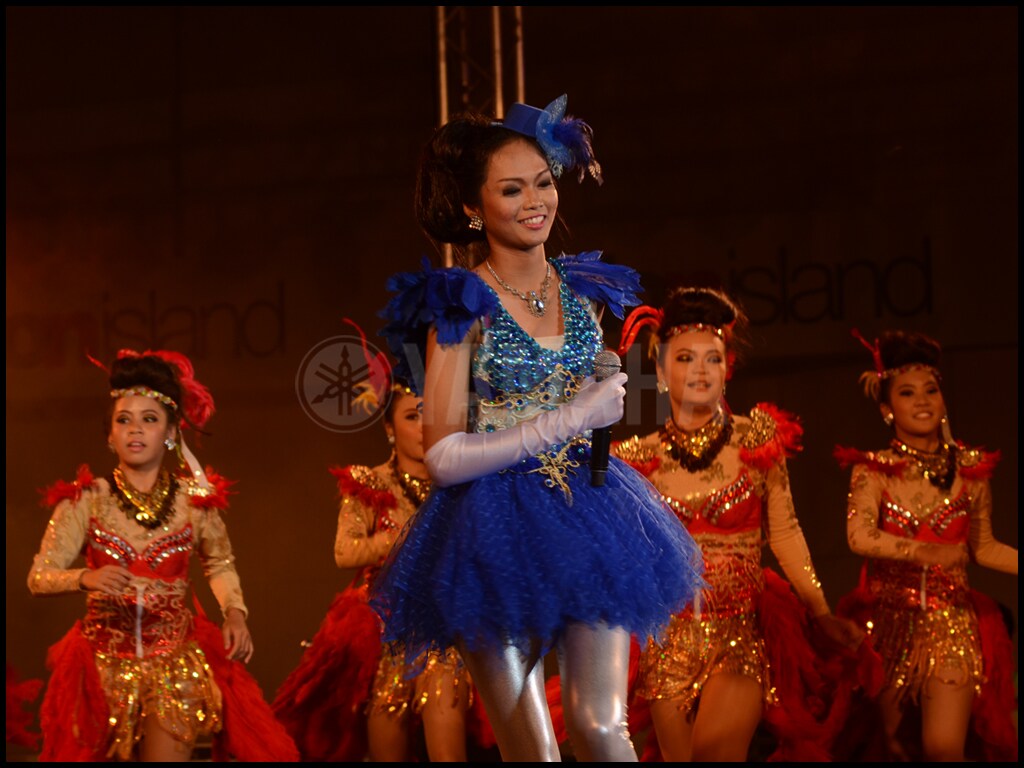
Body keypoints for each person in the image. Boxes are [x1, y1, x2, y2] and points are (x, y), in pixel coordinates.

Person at [369, 94, 705, 762]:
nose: (535, 201)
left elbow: (588, 397)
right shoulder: (461, 305)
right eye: (511, 189)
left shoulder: (584, 292)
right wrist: (573, 416)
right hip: (489, 528)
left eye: (543, 182)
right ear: (473, 208)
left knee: (602, 729)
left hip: (590, 513)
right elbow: (442, 456)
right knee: (534, 754)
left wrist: (601, 393)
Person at [607, 286, 870, 762]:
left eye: (713, 358)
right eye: (685, 358)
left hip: (738, 637)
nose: (701, 370)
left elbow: (785, 533)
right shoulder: (636, 459)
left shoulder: (757, 442)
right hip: (668, 644)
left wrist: (821, 612)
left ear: (727, 369)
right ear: (661, 371)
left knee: (714, 754)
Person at [26, 349, 298, 763]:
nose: (135, 429)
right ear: (109, 434)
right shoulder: (86, 501)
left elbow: (220, 563)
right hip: (100, 668)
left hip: (174, 665)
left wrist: (235, 613)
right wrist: (84, 578)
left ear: (170, 432)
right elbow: (39, 576)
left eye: (149, 419)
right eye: (124, 420)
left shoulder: (195, 502)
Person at [272, 321, 488, 762]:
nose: (425, 427)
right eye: (412, 416)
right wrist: (395, 540)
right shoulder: (369, 484)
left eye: (432, 413)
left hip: (446, 634)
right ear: (389, 427)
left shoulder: (461, 485)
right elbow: (344, 552)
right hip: (386, 640)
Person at [834, 329, 1018, 762]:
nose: (922, 400)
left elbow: (984, 548)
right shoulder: (873, 471)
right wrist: (922, 551)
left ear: (943, 400)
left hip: (950, 623)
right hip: (888, 627)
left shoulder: (971, 471)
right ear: (887, 409)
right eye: (907, 392)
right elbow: (859, 536)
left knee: (942, 748)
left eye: (930, 390)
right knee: (897, 747)